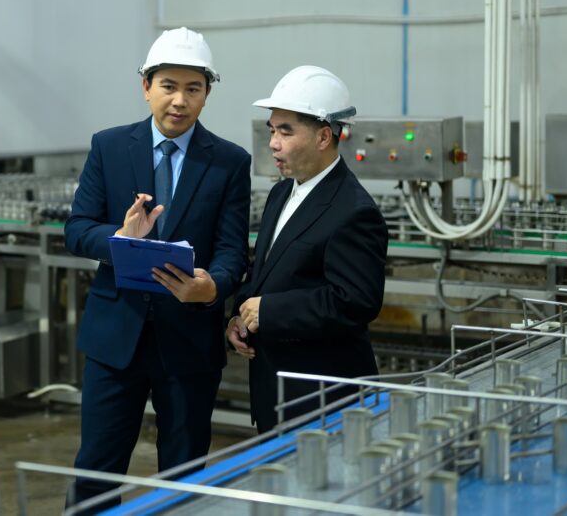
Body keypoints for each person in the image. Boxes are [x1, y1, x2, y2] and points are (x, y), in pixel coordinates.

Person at [64, 27, 251, 511]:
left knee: (185, 470)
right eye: (168, 85)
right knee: (97, 467)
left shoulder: (230, 162)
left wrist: (211, 290)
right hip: (116, 337)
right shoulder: (108, 147)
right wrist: (118, 240)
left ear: (207, 93)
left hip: (188, 340)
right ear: (145, 86)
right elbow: (77, 227)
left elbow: (233, 250)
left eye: (193, 89)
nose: (179, 101)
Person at [226, 66, 387, 433]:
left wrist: (269, 311)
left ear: (323, 137)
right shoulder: (282, 193)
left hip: (324, 400)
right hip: (274, 391)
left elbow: (355, 302)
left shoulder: (354, 211)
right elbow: (265, 273)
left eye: (286, 131)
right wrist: (239, 316)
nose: (273, 143)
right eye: (272, 130)